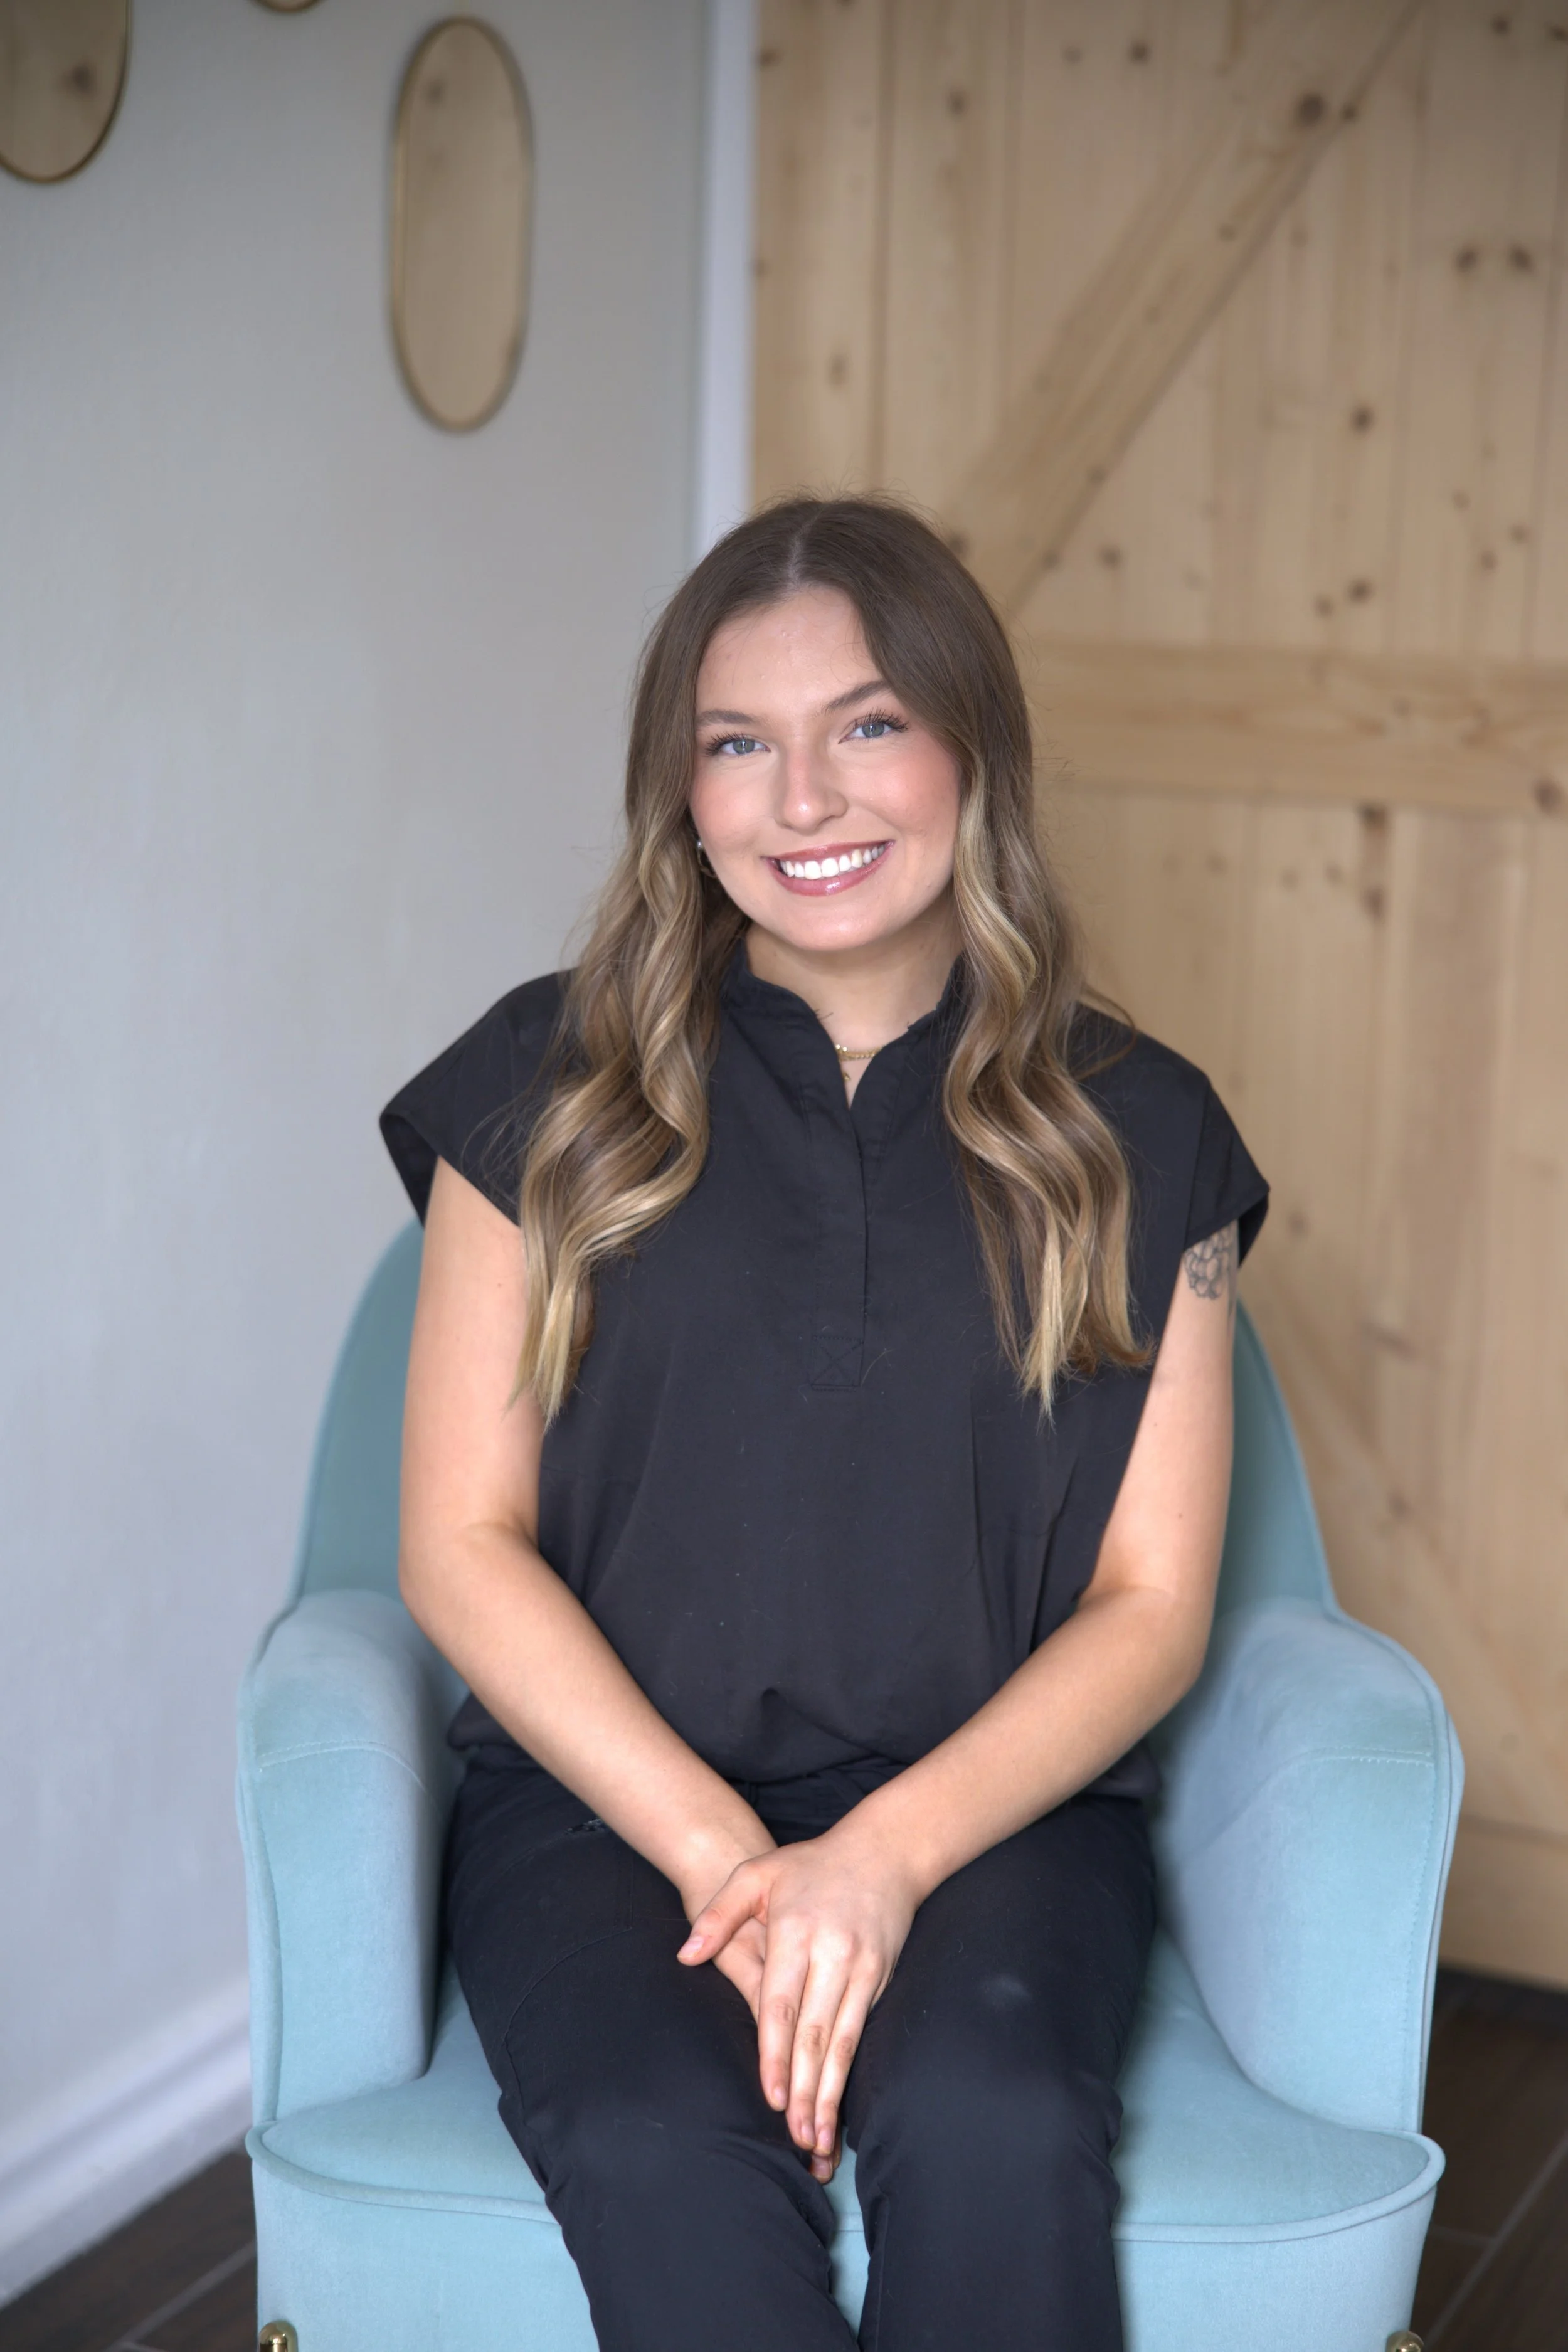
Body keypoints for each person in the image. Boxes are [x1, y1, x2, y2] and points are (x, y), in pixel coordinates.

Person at [381, 496, 1268, 2352]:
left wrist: (879, 1859)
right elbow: (458, 1544)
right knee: (653, 2136)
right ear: (682, 796)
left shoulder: (1147, 1127)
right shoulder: (538, 1084)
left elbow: (1151, 1602)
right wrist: (722, 1854)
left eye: (865, 724)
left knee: (996, 2118)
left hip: (996, 1815)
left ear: (967, 750)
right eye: (736, 745)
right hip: (604, 1817)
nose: (803, 799)